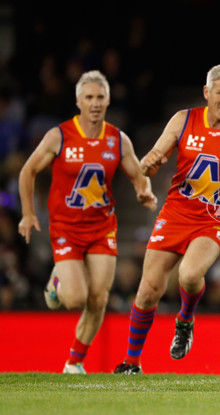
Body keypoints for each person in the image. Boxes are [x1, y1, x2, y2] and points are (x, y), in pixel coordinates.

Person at [113, 63, 220, 374]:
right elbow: (156, 154)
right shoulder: (183, 119)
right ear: (207, 93)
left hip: (215, 218)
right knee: (148, 291)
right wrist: (149, 163)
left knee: (188, 275)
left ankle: (185, 320)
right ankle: (131, 363)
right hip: (175, 212)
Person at [17, 70, 157, 374]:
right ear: (78, 101)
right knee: (75, 299)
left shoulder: (118, 139)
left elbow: (137, 174)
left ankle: (74, 362)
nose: (95, 103)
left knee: (98, 298)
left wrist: (143, 191)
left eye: (100, 97)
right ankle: (57, 281)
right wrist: (28, 214)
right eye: (89, 97)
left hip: (102, 228)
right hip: (66, 228)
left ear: (107, 101)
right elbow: (28, 171)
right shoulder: (60, 136)